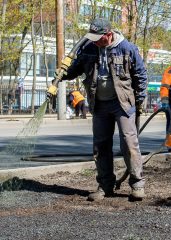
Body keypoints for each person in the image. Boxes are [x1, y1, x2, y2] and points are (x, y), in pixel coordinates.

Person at [47, 18, 148, 201]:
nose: (94, 41)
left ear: (108, 35)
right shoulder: (89, 49)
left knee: (129, 142)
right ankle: (105, 186)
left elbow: (140, 75)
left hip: (123, 104)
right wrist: (62, 74)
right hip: (99, 104)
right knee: (100, 146)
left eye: (98, 37)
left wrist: (139, 101)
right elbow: (76, 69)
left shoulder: (127, 48)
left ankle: (137, 184)